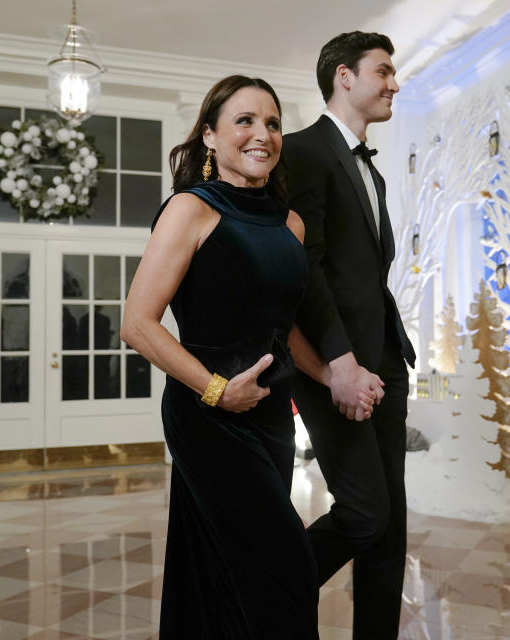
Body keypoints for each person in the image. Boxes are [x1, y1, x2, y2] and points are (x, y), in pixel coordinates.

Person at [121, 75, 344, 639]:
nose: (262, 134)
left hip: (270, 417)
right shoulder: (191, 210)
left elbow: (283, 329)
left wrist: (333, 375)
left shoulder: (288, 222)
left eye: (271, 123)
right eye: (244, 120)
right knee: (287, 566)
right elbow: (137, 323)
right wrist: (218, 390)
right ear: (210, 136)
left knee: (216, 565)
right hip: (207, 415)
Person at [282, 31, 417, 639]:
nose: (393, 83)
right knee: (365, 514)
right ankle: (262, 587)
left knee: (392, 524)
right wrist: (339, 361)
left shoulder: (373, 172)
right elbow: (305, 266)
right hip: (336, 363)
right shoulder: (301, 152)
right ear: (343, 76)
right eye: (383, 71)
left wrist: (390, 355)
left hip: (386, 360)